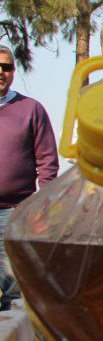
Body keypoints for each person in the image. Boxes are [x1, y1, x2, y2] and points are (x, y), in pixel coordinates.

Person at [0, 46, 59, 310]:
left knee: (15, 286)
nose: (0, 72)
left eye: (6, 67)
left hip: (16, 212)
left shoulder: (31, 109)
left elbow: (47, 162)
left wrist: (45, 207)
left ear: (13, 71)